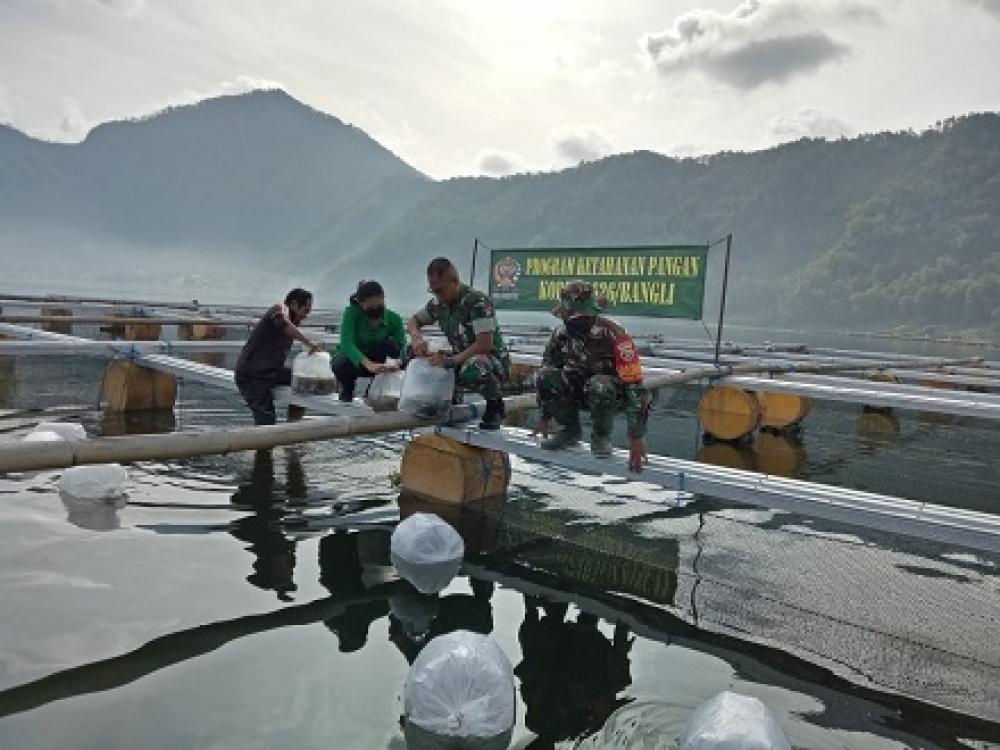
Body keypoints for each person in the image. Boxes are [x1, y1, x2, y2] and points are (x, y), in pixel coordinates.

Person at [534, 280, 650, 472]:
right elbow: (548, 369)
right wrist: (545, 417)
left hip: (610, 395)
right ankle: (569, 430)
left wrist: (636, 437)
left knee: (600, 383)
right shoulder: (561, 334)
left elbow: (636, 386)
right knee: (545, 375)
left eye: (581, 316)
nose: (574, 321)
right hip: (578, 393)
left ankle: (601, 437)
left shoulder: (615, 334)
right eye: (570, 316)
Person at [406, 257, 510, 430]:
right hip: (458, 356)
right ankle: (445, 398)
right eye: (433, 291)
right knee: (410, 352)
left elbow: (484, 343)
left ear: (454, 282)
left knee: (474, 366)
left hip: (489, 361)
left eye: (440, 290)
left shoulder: (477, 302)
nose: (438, 295)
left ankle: (495, 405)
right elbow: (413, 321)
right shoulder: (438, 305)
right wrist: (417, 339)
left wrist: (450, 362)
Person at [235, 288, 321, 425]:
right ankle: (263, 444)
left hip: (272, 371)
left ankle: (293, 426)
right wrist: (308, 343)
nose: (305, 316)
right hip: (252, 375)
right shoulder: (279, 310)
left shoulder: (292, 322)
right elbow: (283, 323)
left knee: (305, 381)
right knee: (266, 420)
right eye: (305, 311)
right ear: (293, 305)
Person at [330, 280, 406, 402]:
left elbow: (402, 346)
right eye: (371, 307)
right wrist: (368, 364)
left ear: (384, 299)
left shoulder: (394, 319)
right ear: (361, 304)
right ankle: (346, 392)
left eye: (378, 306)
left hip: (377, 363)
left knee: (392, 347)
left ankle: (372, 393)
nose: (375, 309)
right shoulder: (351, 313)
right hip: (354, 361)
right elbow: (347, 343)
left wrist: (397, 362)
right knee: (341, 363)